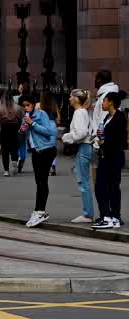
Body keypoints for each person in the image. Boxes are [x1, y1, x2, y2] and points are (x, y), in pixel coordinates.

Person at [21, 93, 59, 228]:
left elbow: (49, 131)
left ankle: (40, 211)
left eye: (28, 105)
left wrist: (33, 124)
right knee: (39, 181)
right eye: (23, 106)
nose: (26, 108)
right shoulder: (25, 117)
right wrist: (23, 129)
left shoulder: (41, 115)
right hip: (36, 151)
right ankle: (38, 210)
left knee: (42, 181)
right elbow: (24, 133)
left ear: (33, 105)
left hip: (46, 150)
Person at [61, 89, 97, 224]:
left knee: (83, 182)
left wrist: (66, 137)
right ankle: (88, 212)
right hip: (87, 147)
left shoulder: (79, 113)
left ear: (76, 98)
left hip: (84, 147)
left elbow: (81, 133)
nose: (69, 98)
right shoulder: (84, 112)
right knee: (84, 180)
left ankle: (87, 214)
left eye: (71, 96)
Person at [93, 91, 126, 230]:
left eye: (104, 100)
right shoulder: (107, 116)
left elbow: (120, 140)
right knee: (103, 186)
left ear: (111, 102)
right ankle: (108, 216)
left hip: (114, 157)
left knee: (110, 187)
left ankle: (112, 216)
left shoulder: (120, 117)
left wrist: (104, 142)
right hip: (105, 157)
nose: (102, 103)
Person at [0, 91, 23, 177]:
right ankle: (15, 161)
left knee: (4, 150)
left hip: (3, 130)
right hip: (14, 129)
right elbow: (21, 119)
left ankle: (6, 170)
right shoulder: (17, 108)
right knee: (14, 147)